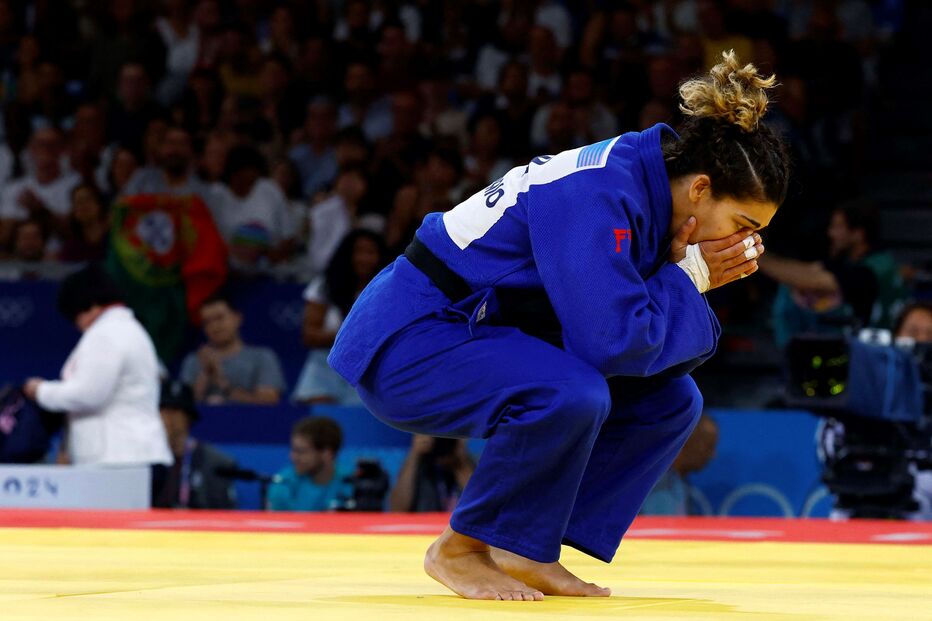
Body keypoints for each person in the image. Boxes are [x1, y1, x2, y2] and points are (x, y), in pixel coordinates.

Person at [328, 51, 789, 600]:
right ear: (700, 188)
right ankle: (461, 548)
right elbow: (611, 347)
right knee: (575, 391)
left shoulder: (644, 191)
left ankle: (524, 544)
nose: (741, 243)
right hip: (411, 340)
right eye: (741, 224)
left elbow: (658, 357)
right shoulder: (598, 192)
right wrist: (686, 277)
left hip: (482, 333)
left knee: (672, 402)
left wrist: (678, 273)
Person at [22, 265, 173, 471]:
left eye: (75, 316)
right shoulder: (129, 329)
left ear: (91, 305)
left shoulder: (106, 333)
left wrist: (40, 390)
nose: (78, 325)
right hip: (131, 454)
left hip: (119, 459)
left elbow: (88, 394)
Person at [293, 230, 386, 404]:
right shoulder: (324, 286)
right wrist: (353, 335)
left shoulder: (389, 288)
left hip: (369, 366)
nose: (364, 258)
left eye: (371, 252)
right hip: (326, 363)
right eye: (359, 251)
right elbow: (310, 335)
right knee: (319, 413)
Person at [180, 294, 287, 405]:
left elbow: (269, 401)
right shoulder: (193, 360)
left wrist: (223, 385)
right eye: (207, 322)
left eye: (219, 318)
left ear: (237, 318)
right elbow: (181, 407)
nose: (214, 326)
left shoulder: (262, 357)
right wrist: (206, 373)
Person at [154, 380, 237, 510]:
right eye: (163, 410)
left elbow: (224, 511)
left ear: (189, 417)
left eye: (175, 411)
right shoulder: (148, 461)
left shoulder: (215, 462)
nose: (168, 418)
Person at [267, 416, 353, 511]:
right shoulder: (283, 485)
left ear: (327, 453)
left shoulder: (352, 483)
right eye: (293, 450)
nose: (292, 457)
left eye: (301, 451)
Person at [640, 414, 719, 516]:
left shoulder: (678, 482)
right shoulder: (659, 485)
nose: (713, 455)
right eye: (708, 446)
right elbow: (661, 529)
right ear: (686, 440)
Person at [390, 435, 476, 512]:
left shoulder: (472, 464)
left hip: (461, 528)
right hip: (424, 527)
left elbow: (480, 504)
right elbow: (397, 510)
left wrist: (460, 459)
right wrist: (414, 454)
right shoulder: (417, 466)